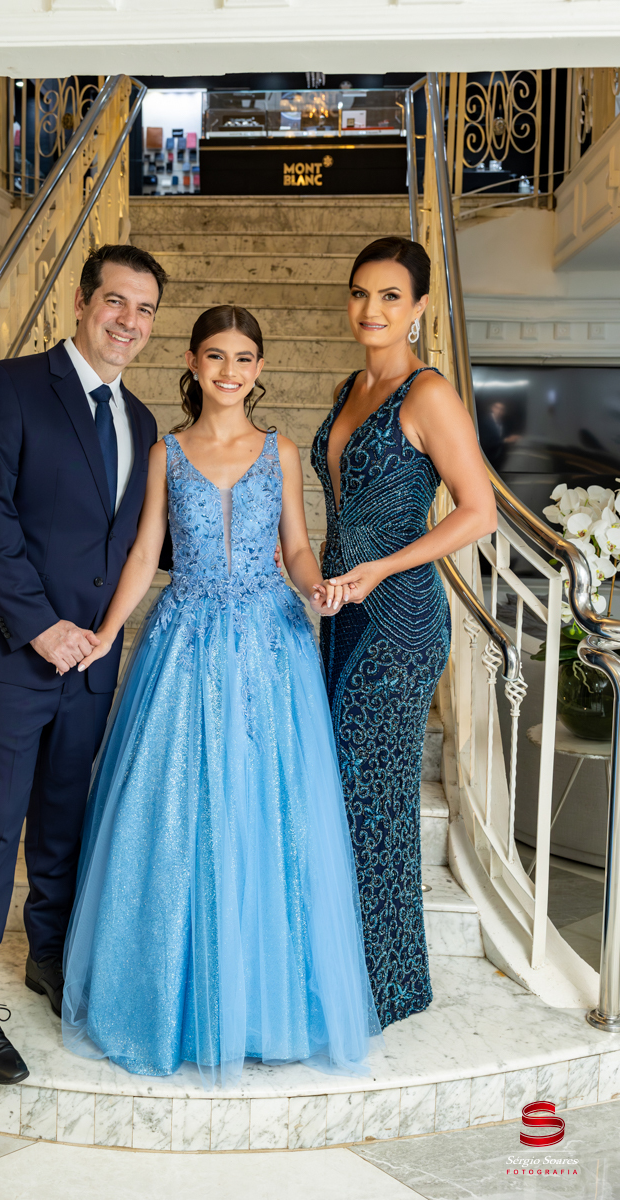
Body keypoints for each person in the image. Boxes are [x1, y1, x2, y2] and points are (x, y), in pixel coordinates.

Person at [61, 305, 381, 1086]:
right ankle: (173, 996)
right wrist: (105, 633)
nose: (229, 371)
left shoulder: (282, 451)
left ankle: (265, 1005)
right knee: (180, 812)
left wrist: (316, 587)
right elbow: (146, 553)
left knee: (268, 812)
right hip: (186, 640)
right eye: (215, 356)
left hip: (272, 644)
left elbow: (296, 547)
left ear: (259, 368)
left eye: (243, 358)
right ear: (192, 363)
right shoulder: (165, 453)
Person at [0, 243, 167, 1084]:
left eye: (144, 310)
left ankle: (48, 956)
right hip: (10, 652)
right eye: (116, 301)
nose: (128, 321)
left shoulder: (143, 422)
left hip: (91, 661)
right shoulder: (11, 386)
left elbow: (134, 542)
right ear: (81, 301)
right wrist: (40, 628)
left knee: (64, 820)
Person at [310, 236, 496, 1029]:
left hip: (399, 621)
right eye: (360, 293)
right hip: (339, 613)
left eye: (390, 296)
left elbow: (478, 511)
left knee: (375, 800)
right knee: (341, 794)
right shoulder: (350, 387)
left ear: (419, 307)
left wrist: (382, 566)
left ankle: (384, 988)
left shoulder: (429, 394)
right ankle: (342, 969)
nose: (371, 309)